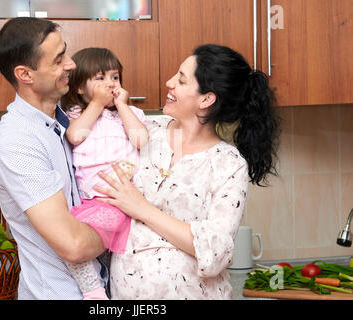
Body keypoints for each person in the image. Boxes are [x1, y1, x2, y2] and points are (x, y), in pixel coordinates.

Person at [94, 44, 281, 299]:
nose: (169, 82)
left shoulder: (228, 164)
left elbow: (215, 252)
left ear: (206, 99)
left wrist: (141, 209)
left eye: (181, 80)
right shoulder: (144, 130)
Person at [0, 17, 107, 299]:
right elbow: (74, 244)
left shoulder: (62, 123)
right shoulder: (17, 141)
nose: (71, 64)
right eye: (58, 60)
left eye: (65, 52)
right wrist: (129, 218)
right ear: (25, 74)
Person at [60, 47, 148, 299]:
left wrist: (122, 105)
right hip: (92, 200)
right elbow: (75, 136)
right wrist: (97, 104)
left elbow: (141, 139)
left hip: (121, 199)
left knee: (102, 256)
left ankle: (95, 292)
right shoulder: (78, 115)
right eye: (100, 78)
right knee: (72, 244)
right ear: (79, 88)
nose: (110, 84)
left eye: (115, 77)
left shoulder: (129, 115)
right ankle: (95, 290)